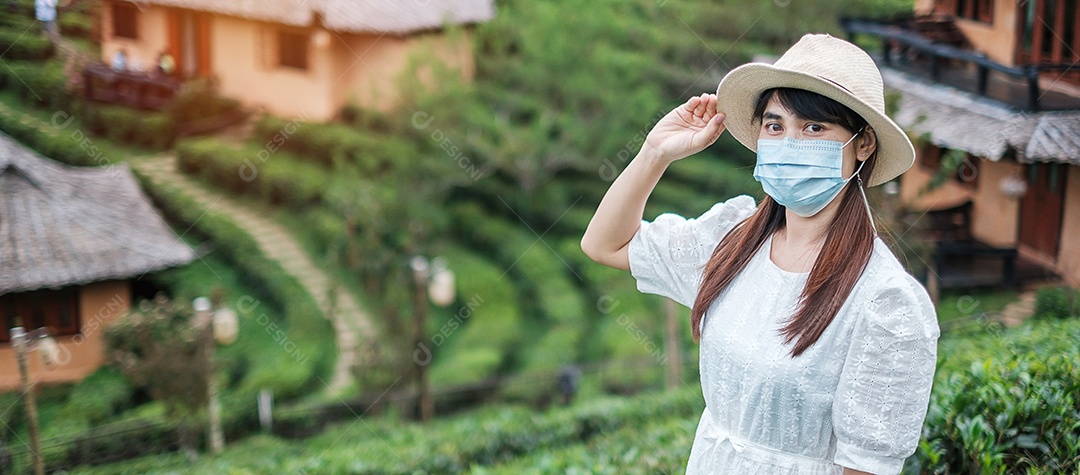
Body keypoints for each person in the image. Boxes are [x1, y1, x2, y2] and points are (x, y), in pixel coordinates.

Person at [581, 34, 939, 475]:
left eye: (814, 128)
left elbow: (865, 466)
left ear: (863, 144)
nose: (789, 143)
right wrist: (655, 153)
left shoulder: (885, 301)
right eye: (775, 126)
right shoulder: (729, 243)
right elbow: (604, 244)